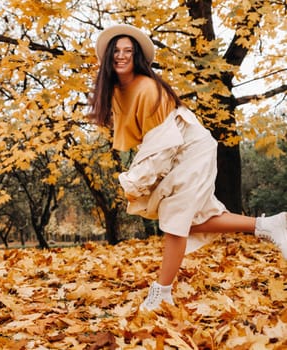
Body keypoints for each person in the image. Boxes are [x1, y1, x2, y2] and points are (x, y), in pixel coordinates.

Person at [90, 24, 287, 311]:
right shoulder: (119, 92)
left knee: (175, 220)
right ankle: (269, 225)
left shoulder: (146, 88)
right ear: (109, 57)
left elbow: (163, 142)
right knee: (195, 218)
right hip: (173, 150)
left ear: (137, 57)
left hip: (188, 149)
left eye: (128, 51)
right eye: (116, 51)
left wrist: (136, 180)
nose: (121, 56)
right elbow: (148, 140)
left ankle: (161, 294)